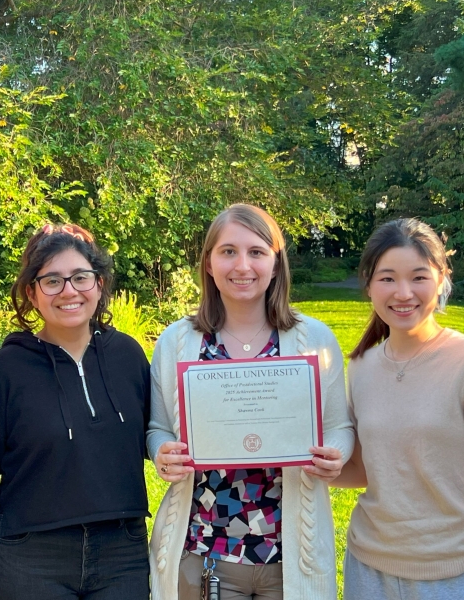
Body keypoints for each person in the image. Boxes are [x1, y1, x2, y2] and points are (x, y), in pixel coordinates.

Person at [147, 204, 354, 600]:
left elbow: (339, 426)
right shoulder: (177, 342)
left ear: (276, 264)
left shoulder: (315, 340)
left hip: (290, 556)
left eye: (257, 252)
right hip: (204, 550)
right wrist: (161, 453)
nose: (242, 265)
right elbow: (157, 427)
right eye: (228, 251)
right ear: (208, 263)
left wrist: (336, 454)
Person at [0, 223, 151, 600]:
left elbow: (158, 435)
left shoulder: (128, 357)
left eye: (81, 277)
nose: (69, 291)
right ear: (32, 293)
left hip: (122, 551)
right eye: (52, 281)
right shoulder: (4, 371)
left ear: (99, 285)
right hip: (29, 555)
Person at [334, 218, 464, 600]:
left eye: (418, 277)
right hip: (367, 569)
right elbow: (366, 471)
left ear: (441, 279)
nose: (403, 293)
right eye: (387, 278)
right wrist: (298, 462)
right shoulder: (361, 366)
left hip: (455, 575)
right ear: (368, 285)